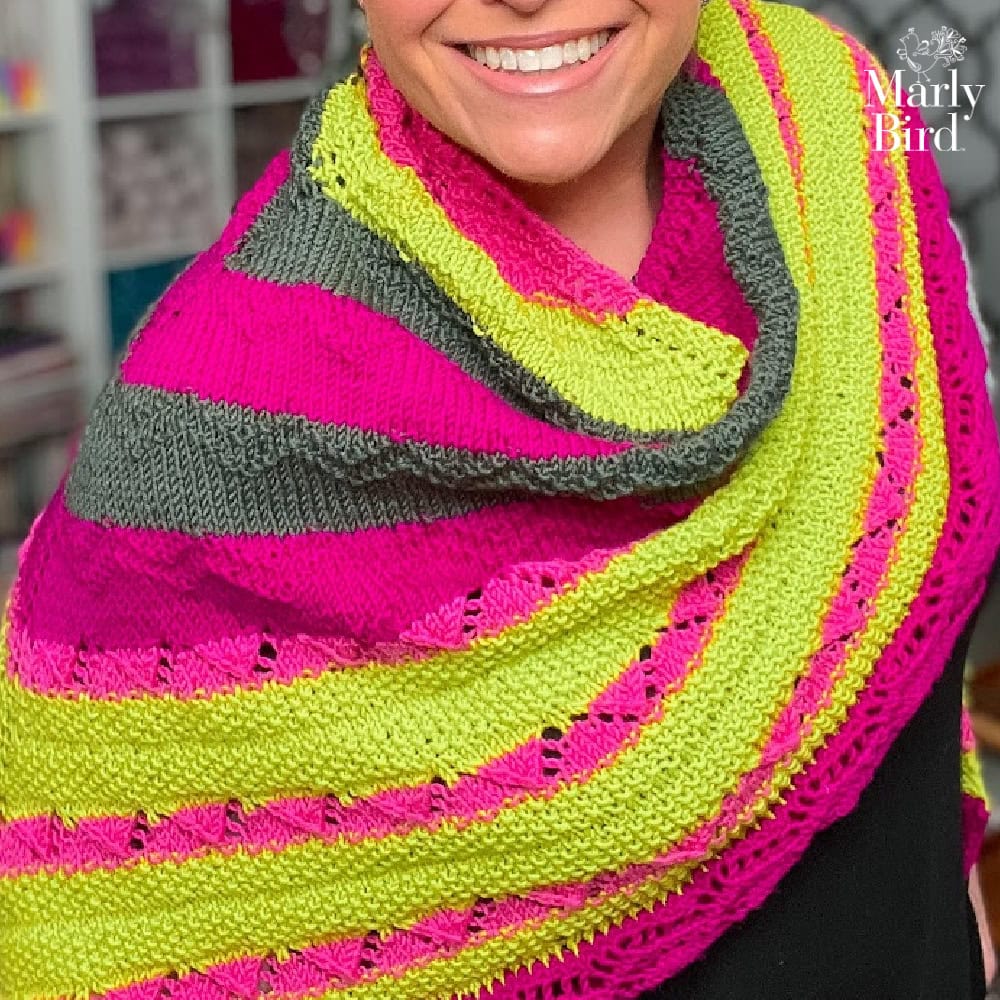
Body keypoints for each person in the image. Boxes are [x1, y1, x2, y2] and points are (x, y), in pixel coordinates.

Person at [1, 0, 999, 997]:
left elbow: (892, 572)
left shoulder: (823, 107)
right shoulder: (200, 428)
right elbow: (95, 922)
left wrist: (949, 880)